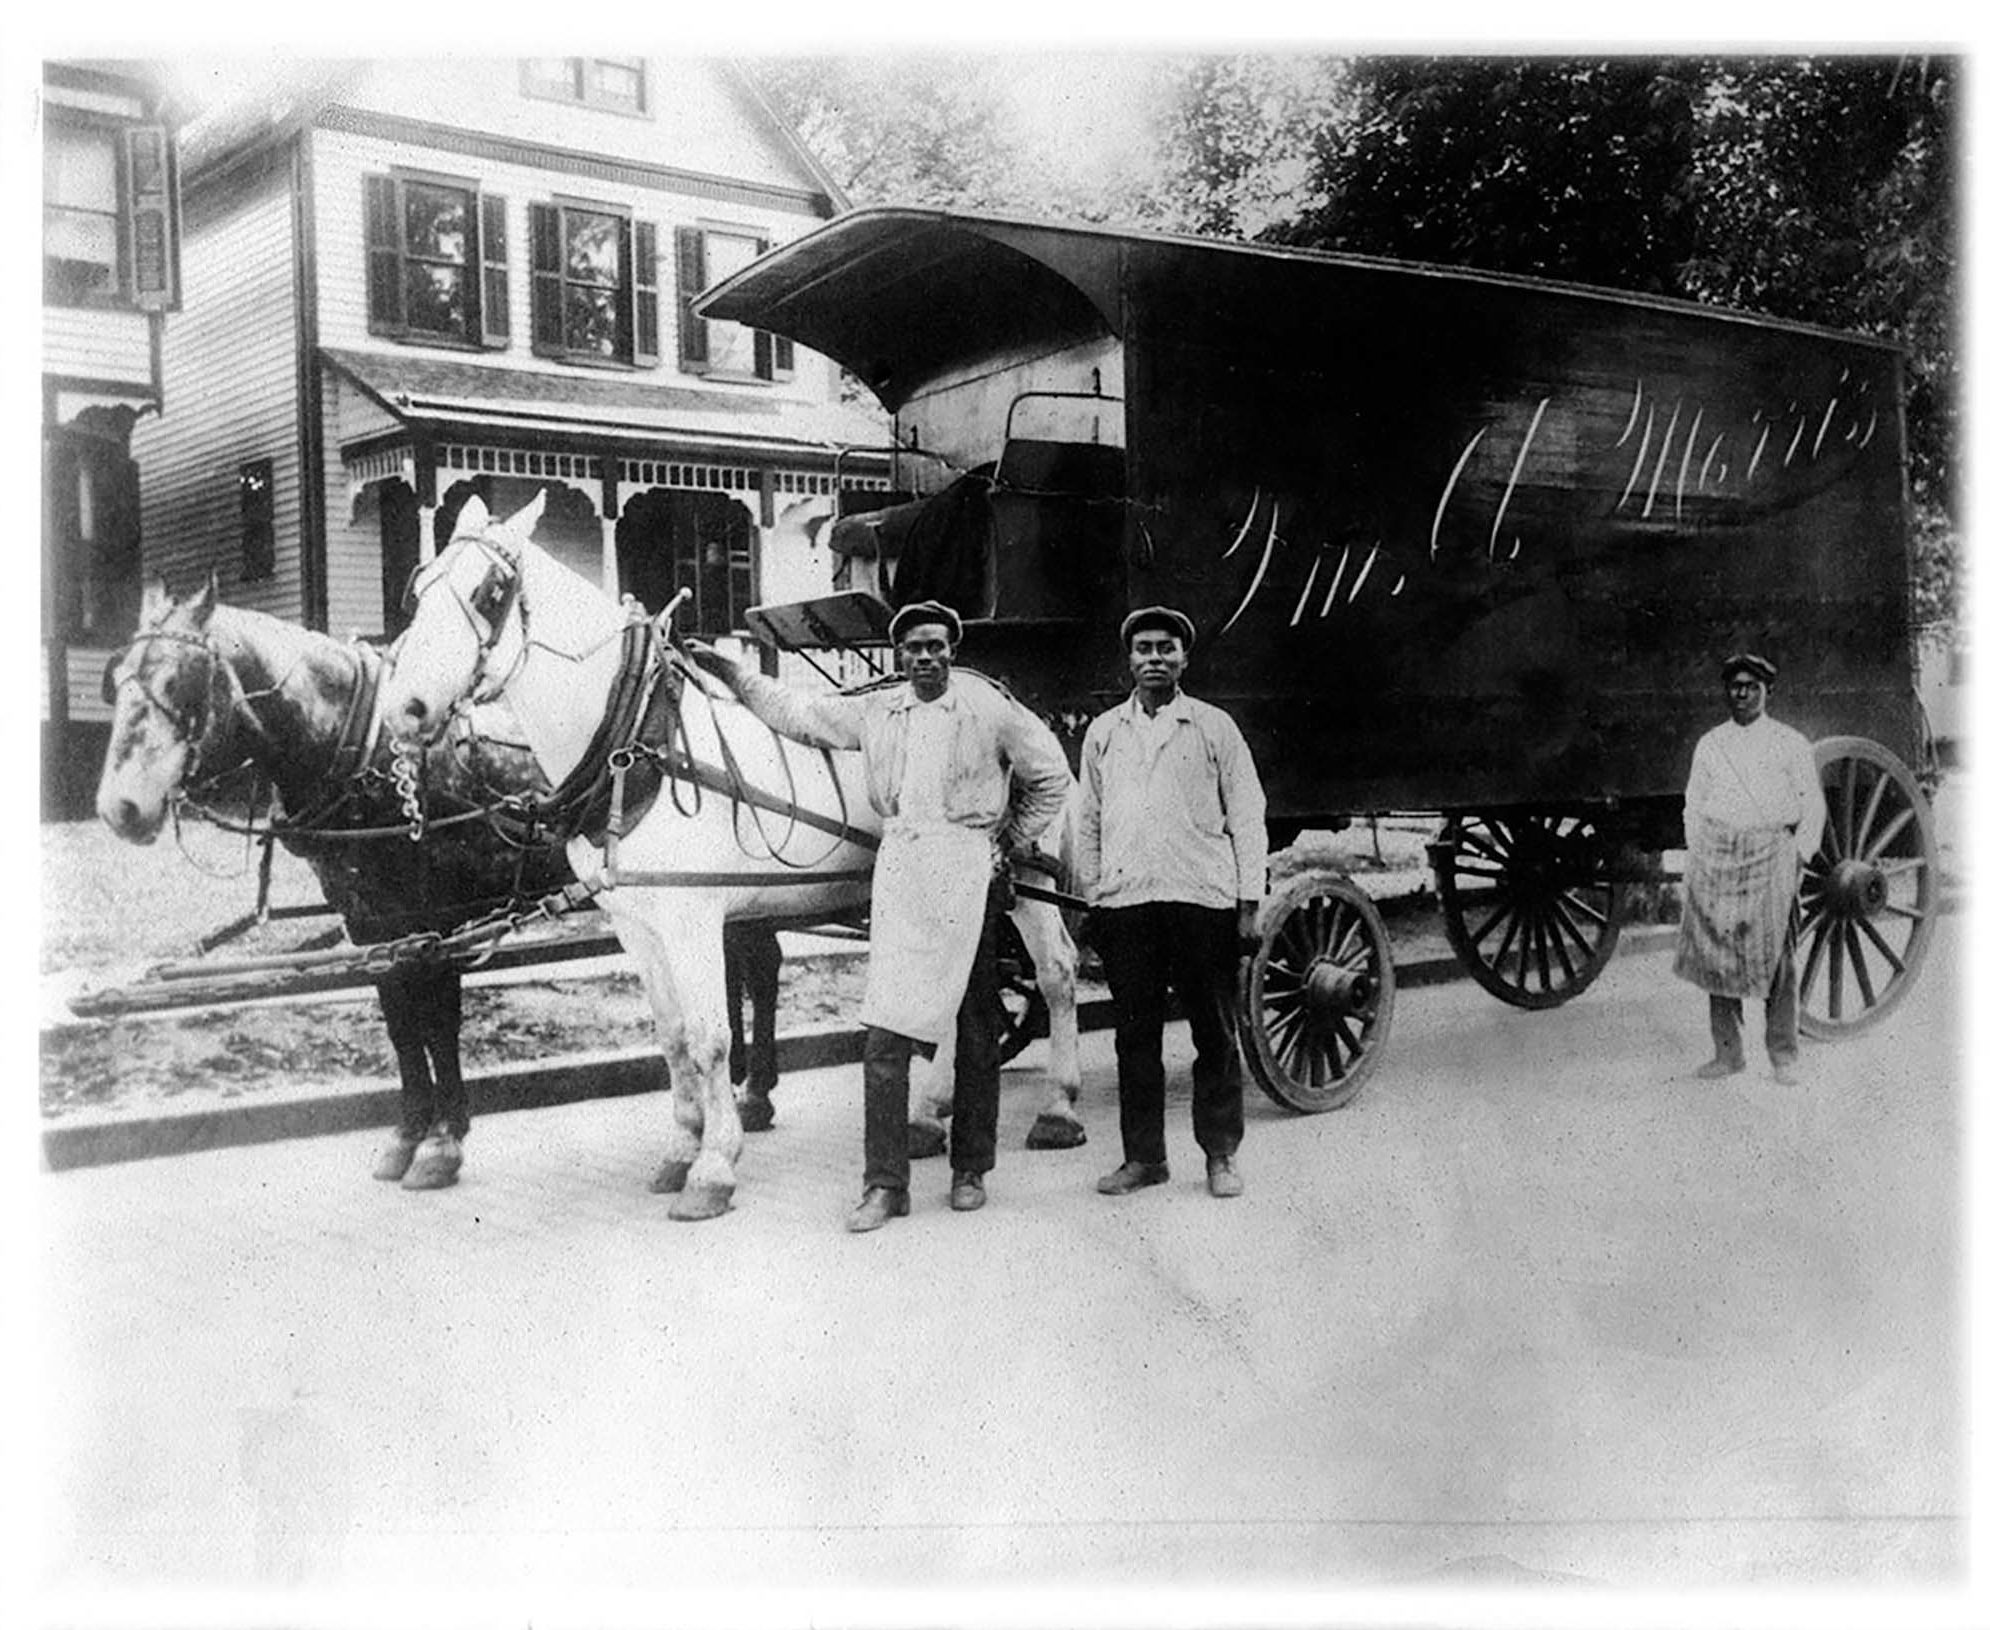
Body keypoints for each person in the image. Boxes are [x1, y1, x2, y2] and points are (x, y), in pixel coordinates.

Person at [686, 603, 1069, 1232]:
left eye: (937, 646)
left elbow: (1051, 776)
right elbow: (800, 715)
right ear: (900, 655)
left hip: (967, 870)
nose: (926, 657)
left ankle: (970, 1170)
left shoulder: (988, 707)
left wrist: (1007, 841)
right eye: (914, 647)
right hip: (901, 872)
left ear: (952, 650)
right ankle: (885, 1184)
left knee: (975, 1029)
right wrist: (733, 673)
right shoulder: (879, 710)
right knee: (885, 1038)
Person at [1075, 605, 1268, 1199]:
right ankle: (1144, 1159)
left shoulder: (1214, 727)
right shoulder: (1104, 732)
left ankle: (1220, 1155)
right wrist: (1091, 898)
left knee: (1214, 1033)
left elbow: (1247, 814)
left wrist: (1248, 902)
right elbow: (1089, 820)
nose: (1154, 658)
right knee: (1135, 1038)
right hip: (1128, 904)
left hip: (1200, 899)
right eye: (1144, 649)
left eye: (1166, 648)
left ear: (1184, 658)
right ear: (1129, 659)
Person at [1673, 652, 1825, 1085]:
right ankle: (1728, 1053)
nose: (1742, 694)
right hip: (1718, 855)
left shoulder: (1790, 742)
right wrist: (1698, 851)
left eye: (1751, 687)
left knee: (1778, 956)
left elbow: (1812, 805)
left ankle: (1783, 1056)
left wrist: (1800, 854)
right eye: (1735, 687)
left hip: (1772, 853)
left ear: (1767, 692)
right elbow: (1693, 803)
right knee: (1716, 955)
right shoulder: (1711, 744)